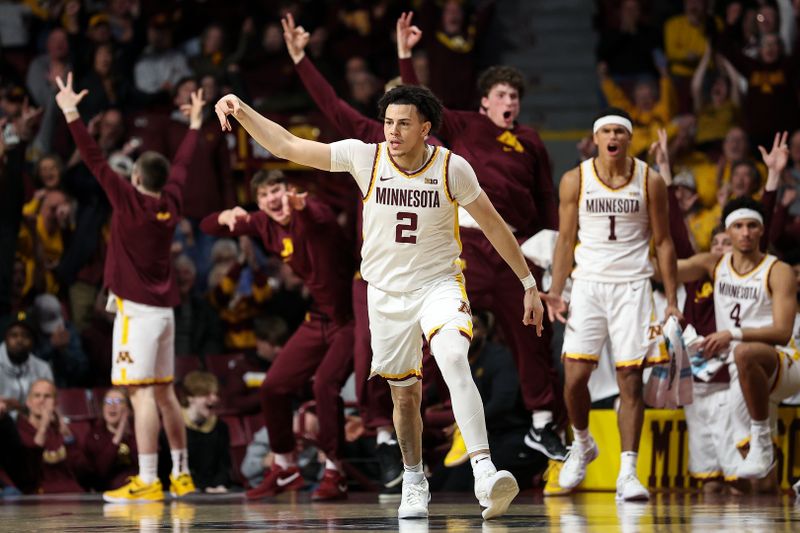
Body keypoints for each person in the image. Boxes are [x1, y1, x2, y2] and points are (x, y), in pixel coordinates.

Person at [213, 82, 544, 520]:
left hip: (438, 284)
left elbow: (496, 225)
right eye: (388, 121)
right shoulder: (364, 157)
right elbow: (288, 145)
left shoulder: (452, 168)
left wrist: (527, 283)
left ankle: (485, 472)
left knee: (452, 356)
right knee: (404, 398)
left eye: (403, 123)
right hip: (385, 295)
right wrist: (242, 110)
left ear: (426, 128)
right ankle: (413, 477)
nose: (392, 130)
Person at [396, 12, 565, 463]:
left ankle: (543, 423)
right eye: (501, 95)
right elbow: (420, 108)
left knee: (531, 326)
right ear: (485, 101)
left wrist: (550, 246)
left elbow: (546, 197)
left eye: (515, 96)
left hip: (512, 247)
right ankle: (408, 409)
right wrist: (406, 56)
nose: (509, 102)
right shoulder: (465, 125)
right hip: (466, 241)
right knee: (439, 327)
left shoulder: (530, 141)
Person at [54, 72, 202, 502]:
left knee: (140, 396)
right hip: (164, 313)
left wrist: (69, 111)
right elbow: (183, 166)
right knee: (164, 393)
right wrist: (193, 127)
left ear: (135, 176)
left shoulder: (130, 200)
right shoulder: (170, 202)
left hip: (136, 314)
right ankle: (182, 473)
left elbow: (94, 159)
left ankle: (148, 480)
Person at [543, 108, 681, 501]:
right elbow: (565, 241)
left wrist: (670, 300)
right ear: (597, 137)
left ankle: (628, 471)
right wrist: (556, 289)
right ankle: (583, 443)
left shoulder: (649, 179)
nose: (613, 136)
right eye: (607, 130)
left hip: (634, 287)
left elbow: (665, 242)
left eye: (620, 130)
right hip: (587, 284)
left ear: (629, 139)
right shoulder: (576, 179)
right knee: (573, 379)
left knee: (630, 381)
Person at [201, 169, 356, 502]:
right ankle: (285, 468)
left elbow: (319, 216)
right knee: (274, 386)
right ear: (259, 203)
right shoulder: (261, 223)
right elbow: (207, 226)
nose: (273, 198)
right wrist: (227, 215)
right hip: (318, 318)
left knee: (324, 385)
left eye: (278, 190)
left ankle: (335, 472)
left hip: (353, 316)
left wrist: (303, 205)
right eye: (264, 194)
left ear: (290, 191)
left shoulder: (312, 211)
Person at [676, 151, 800, 482]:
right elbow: (664, 268)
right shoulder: (714, 265)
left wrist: (734, 334)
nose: (745, 233)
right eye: (739, 226)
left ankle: (760, 440)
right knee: (742, 461)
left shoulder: (778, 270)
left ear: (761, 231)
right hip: (741, 368)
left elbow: (783, 332)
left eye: (752, 226)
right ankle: (763, 453)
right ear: (727, 232)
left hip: (784, 362)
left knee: (744, 355)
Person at [16, 378, 88, 493]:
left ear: (55, 403)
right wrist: (43, 427)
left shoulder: (61, 431)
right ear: (28, 402)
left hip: (71, 493)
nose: (42, 400)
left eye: (47, 396)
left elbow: (82, 469)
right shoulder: (19, 431)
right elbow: (28, 471)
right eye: (37, 396)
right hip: (37, 497)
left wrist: (68, 438)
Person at [180, 371, 232, 493]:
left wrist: (220, 485)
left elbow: (224, 465)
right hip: (183, 489)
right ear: (190, 397)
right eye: (206, 394)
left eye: (215, 394)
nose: (214, 398)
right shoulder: (174, 425)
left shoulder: (220, 427)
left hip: (213, 490)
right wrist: (201, 487)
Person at [83, 388, 138, 491]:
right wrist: (119, 435)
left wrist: (128, 433)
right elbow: (101, 471)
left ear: (128, 409)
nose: (112, 406)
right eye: (108, 402)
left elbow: (141, 466)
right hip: (108, 494)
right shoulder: (94, 435)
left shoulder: (137, 432)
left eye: (118, 401)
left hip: (137, 491)